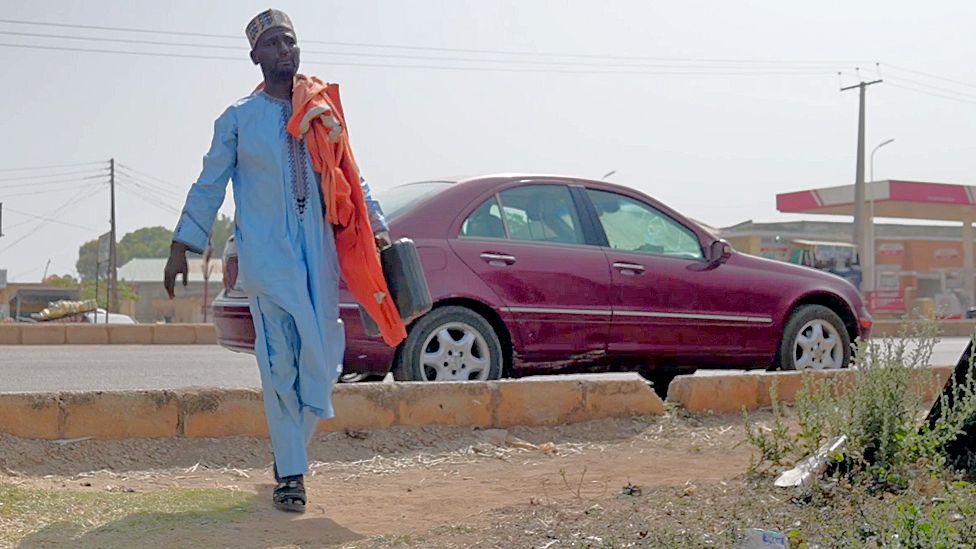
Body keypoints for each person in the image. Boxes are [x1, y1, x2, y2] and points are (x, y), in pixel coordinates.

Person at [163, 8, 404, 513]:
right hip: (267, 257)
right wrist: (182, 244)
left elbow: (350, 175)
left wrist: (377, 228)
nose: (285, 52)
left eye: (290, 42)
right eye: (273, 44)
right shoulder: (237, 120)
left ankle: (291, 447)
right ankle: (291, 472)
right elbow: (209, 183)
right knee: (278, 362)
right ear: (255, 56)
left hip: (318, 254)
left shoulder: (320, 111)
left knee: (323, 352)